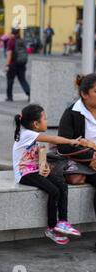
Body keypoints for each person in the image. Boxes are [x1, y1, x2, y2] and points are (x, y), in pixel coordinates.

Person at [13, 104, 82, 244]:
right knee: (54, 191)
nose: (47, 121)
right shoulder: (28, 134)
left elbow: (36, 155)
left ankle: (63, 221)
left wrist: (45, 168)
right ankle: (51, 227)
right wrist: (71, 141)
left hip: (34, 170)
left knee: (62, 184)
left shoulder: (30, 135)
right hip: (24, 174)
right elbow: (53, 139)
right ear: (35, 124)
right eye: (45, 118)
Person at [58, 74, 96, 234]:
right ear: (84, 94)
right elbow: (64, 146)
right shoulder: (72, 113)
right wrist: (90, 157)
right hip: (85, 163)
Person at [5, 28, 30, 102]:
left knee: (10, 80)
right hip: (22, 63)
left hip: (13, 64)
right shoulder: (22, 41)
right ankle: (29, 94)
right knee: (22, 80)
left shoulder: (11, 41)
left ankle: (10, 97)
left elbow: (9, 54)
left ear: (12, 33)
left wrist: (7, 65)